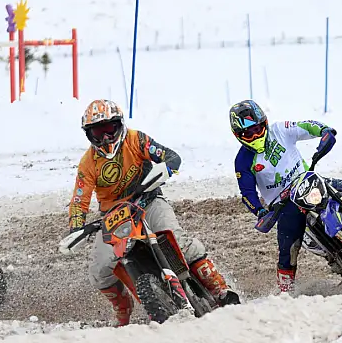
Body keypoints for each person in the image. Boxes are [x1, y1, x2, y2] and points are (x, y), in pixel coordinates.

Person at [69, 99, 240, 326]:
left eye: (109, 129)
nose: (105, 138)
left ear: (119, 125)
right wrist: (77, 226)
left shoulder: (136, 139)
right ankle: (122, 309)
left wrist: (166, 167)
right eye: (97, 132)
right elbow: (79, 199)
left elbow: (170, 155)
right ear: (89, 135)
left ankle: (221, 291)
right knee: (99, 270)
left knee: (179, 239)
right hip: (113, 217)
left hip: (147, 200)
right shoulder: (87, 163)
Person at [230, 100, 342, 293]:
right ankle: (285, 292)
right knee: (287, 248)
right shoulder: (242, 161)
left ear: (265, 124)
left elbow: (306, 126)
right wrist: (260, 212)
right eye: (248, 133)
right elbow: (247, 193)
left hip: (309, 181)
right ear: (238, 136)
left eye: (258, 129)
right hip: (283, 204)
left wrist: (324, 131)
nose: (254, 135)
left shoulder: (281, 130)